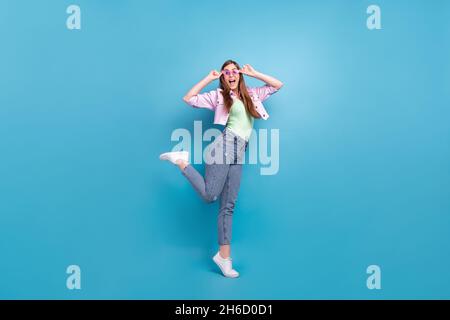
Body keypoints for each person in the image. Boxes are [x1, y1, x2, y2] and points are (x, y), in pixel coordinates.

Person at [160, 60, 283, 278]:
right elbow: (188, 98)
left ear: (240, 75)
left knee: (228, 205)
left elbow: (277, 85)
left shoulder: (252, 94)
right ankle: (182, 162)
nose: (231, 75)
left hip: (240, 150)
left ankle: (224, 258)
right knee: (210, 195)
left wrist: (255, 73)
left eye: (234, 71)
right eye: (226, 73)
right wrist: (208, 78)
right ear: (223, 78)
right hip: (225, 145)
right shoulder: (219, 96)